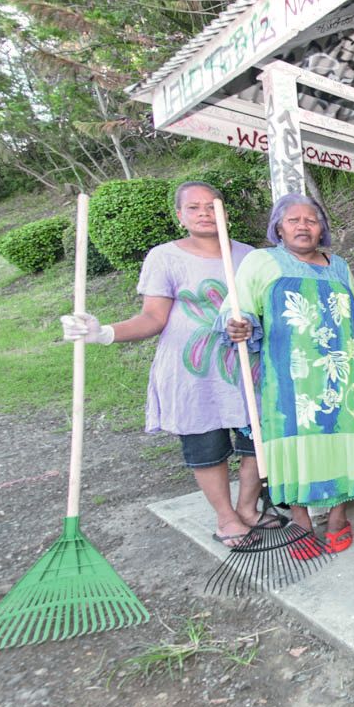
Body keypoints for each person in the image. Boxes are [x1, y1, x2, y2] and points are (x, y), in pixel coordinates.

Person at [61, 181, 260, 548]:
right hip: (193, 373)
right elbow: (153, 318)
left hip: (246, 366)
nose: (204, 213)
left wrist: (253, 325)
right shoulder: (165, 257)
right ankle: (226, 516)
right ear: (179, 216)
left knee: (256, 443)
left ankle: (248, 508)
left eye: (212, 206)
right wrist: (102, 332)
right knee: (206, 444)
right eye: (194, 207)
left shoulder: (249, 256)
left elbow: (261, 309)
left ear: (225, 212)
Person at [225, 193, 354, 555]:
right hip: (290, 380)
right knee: (295, 447)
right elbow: (240, 311)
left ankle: (338, 517)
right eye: (293, 220)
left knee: (344, 444)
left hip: (343, 377)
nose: (303, 226)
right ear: (278, 227)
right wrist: (240, 327)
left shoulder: (338, 265)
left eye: (311, 220)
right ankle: (302, 521)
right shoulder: (260, 262)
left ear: (322, 228)